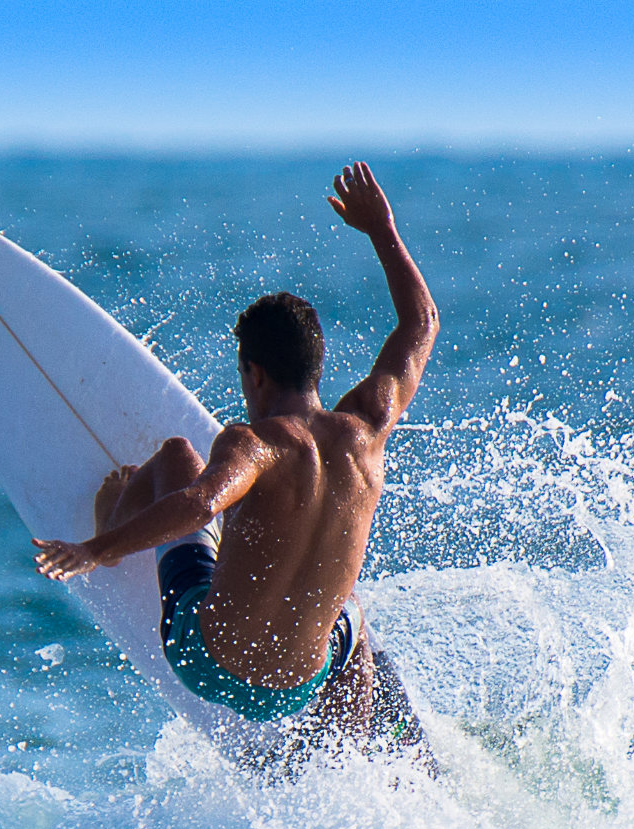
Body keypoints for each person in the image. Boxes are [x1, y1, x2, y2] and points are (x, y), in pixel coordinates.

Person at [32, 161, 437, 748]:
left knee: (174, 455)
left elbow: (198, 504)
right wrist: (382, 230)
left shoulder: (255, 444)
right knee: (350, 619)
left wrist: (95, 550)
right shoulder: (369, 429)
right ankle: (349, 754)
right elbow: (421, 321)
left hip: (206, 661)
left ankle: (114, 509)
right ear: (316, 368)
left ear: (255, 373)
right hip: (298, 686)